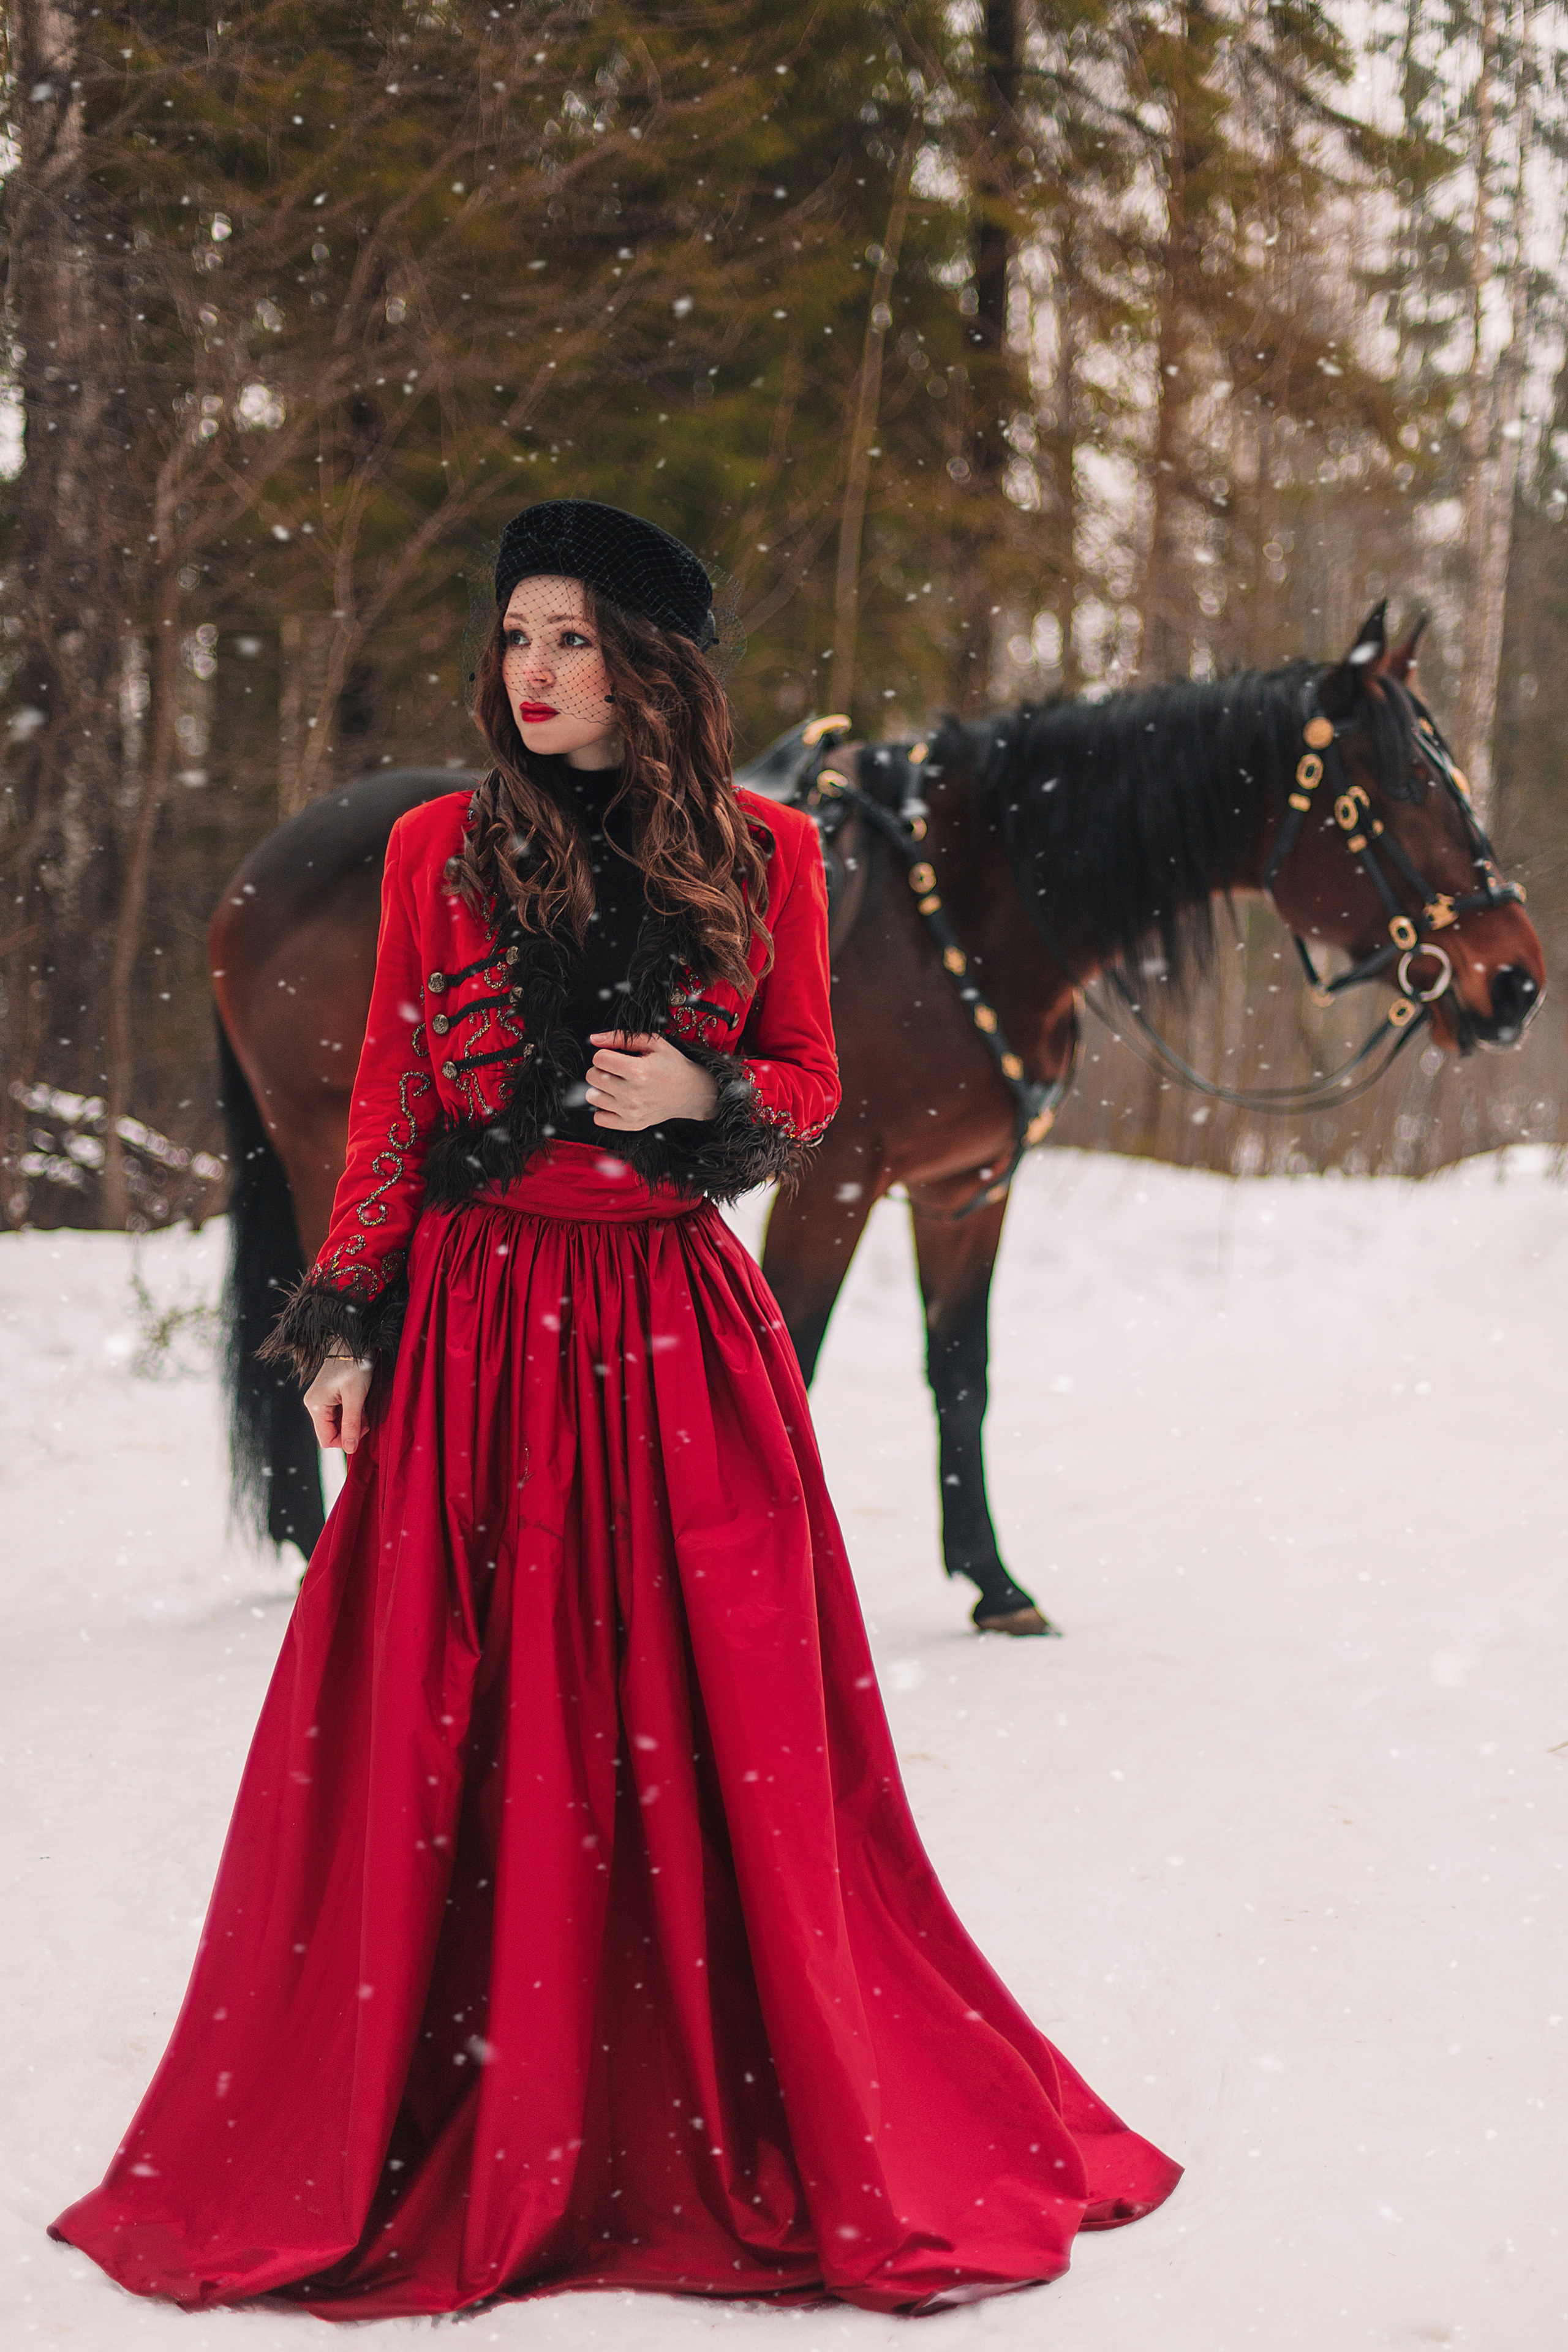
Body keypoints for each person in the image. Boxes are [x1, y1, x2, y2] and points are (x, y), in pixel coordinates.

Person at [51, 500, 1179, 2317]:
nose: (536, 674)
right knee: (445, 1721)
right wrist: (343, 1319)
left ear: (651, 667)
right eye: (517, 641)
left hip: (674, 1329)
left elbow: (811, 1091)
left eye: (572, 641)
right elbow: (401, 1116)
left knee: (720, 1720)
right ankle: (463, 2098)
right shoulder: (437, 849)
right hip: (484, 1322)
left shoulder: (773, 858)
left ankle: (710, 2093)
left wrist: (703, 1093)